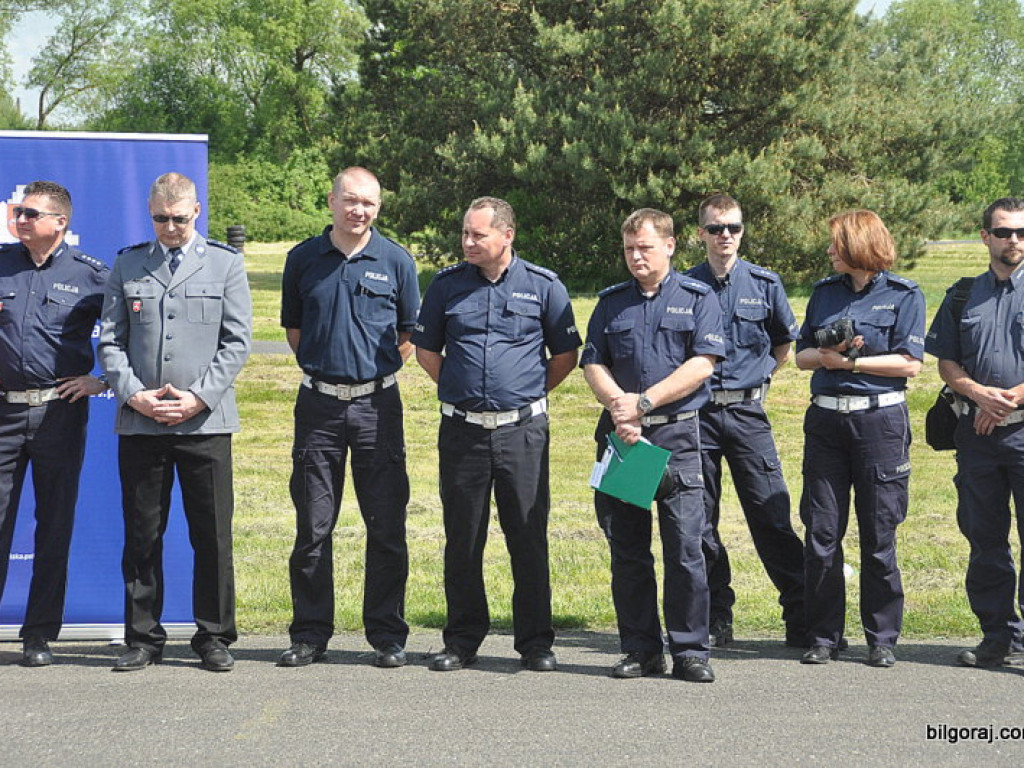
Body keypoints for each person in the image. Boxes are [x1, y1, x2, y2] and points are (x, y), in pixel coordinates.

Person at [413, 196, 580, 672]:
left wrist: (523, 393)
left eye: (477, 235)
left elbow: (565, 355)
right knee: (463, 538)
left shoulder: (544, 286)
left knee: (527, 536)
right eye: (465, 233)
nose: (467, 242)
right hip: (462, 432)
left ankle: (535, 643)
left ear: (507, 235)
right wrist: (460, 389)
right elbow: (427, 351)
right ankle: (462, 640)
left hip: (522, 433)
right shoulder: (446, 286)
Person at [98, 172, 252, 672]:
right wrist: (135, 395)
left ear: (197, 211)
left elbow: (237, 343)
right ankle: (143, 637)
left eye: (179, 218)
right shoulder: (128, 263)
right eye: (161, 218)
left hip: (204, 424)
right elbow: (110, 341)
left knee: (211, 535)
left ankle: (213, 636)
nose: (170, 227)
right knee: (142, 534)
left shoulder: (226, 265)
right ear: (151, 214)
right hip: (143, 423)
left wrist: (198, 398)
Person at [278, 167, 420, 669]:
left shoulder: (397, 261)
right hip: (317, 406)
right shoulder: (302, 260)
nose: (359, 211)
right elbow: (295, 330)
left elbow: (409, 336)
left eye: (370, 204)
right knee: (314, 526)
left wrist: (367, 377)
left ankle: (386, 634)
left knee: (386, 526)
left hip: (377, 407)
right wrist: (328, 371)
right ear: (332, 201)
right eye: (351, 201)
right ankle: (310, 634)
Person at [582, 208, 725, 683]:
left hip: (678, 436)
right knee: (628, 551)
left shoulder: (697, 297)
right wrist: (621, 408)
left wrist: (643, 402)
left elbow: (703, 363)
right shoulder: (611, 303)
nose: (636, 257)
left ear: (669, 245)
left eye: (644, 247)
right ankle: (641, 649)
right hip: (625, 440)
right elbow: (593, 363)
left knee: (686, 549)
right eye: (628, 249)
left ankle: (689, 651)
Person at [795, 210, 924, 668]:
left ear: (857, 246)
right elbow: (801, 357)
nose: (829, 251)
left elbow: (910, 363)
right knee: (822, 534)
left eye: (835, 244)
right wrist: (826, 355)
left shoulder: (904, 295)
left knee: (878, 534)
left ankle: (882, 637)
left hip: (879, 425)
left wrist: (851, 364)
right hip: (827, 424)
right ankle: (824, 637)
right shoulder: (824, 293)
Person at [685, 194, 805, 648]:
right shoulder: (685, 286)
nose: (726, 237)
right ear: (701, 234)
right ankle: (717, 617)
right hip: (698, 414)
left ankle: (802, 615)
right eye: (716, 229)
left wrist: (758, 385)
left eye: (733, 228)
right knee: (699, 521)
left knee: (771, 514)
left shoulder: (764, 283)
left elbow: (782, 347)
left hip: (747, 414)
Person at [0, 181, 109, 667]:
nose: (20, 219)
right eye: (17, 211)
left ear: (60, 222)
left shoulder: (92, 276)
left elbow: (136, 330)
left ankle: (38, 636)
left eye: (30, 213)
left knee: (53, 525)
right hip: (3, 412)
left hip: (58, 414)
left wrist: (102, 381)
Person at [925, 196, 1024, 669]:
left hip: (1023, 431)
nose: (1014, 241)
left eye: (1021, 232)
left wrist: (1007, 399)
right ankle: (997, 636)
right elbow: (946, 360)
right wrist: (975, 392)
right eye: (1004, 232)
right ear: (985, 236)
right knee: (985, 539)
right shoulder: (963, 294)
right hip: (977, 438)